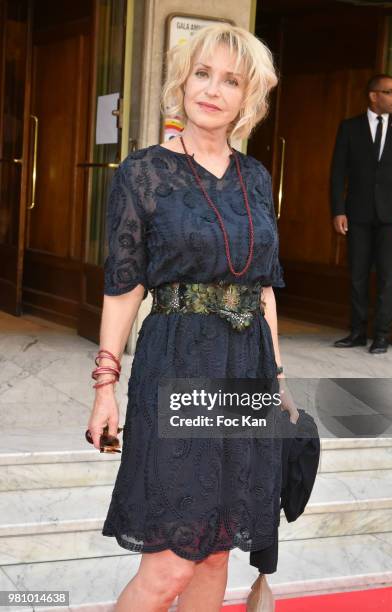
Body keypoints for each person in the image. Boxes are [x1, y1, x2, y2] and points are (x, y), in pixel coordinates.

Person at [87, 23, 294, 612]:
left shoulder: (255, 177)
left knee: (218, 552)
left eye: (231, 80)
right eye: (203, 73)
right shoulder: (144, 172)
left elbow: (265, 289)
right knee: (171, 562)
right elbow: (123, 285)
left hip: (247, 369)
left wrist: (278, 383)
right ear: (182, 80)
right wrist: (106, 386)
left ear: (248, 96)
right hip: (177, 362)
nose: (213, 89)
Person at [331, 74, 392, 354]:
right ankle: (357, 332)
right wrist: (338, 210)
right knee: (358, 276)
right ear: (374, 96)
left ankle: (383, 336)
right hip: (358, 214)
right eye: (389, 92)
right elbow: (338, 172)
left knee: (387, 278)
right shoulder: (350, 127)